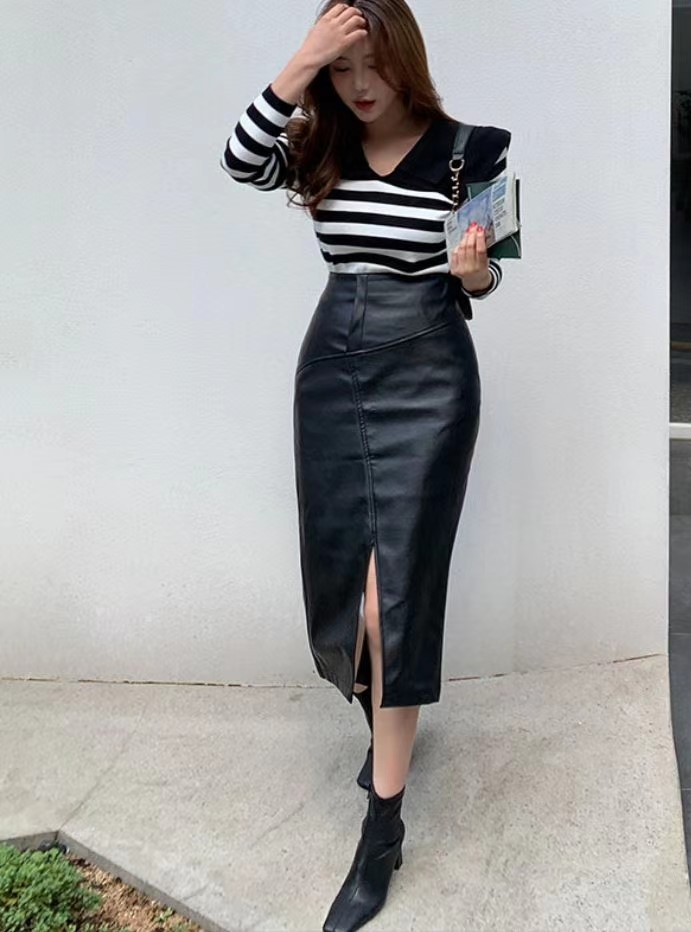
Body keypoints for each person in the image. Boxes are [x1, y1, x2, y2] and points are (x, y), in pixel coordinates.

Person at [220, 2, 510, 928]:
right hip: (334, 375)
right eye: (341, 69)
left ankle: (382, 830)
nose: (358, 86)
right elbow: (238, 159)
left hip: (430, 379)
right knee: (346, 594)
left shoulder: (471, 150)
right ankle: (386, 724)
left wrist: (473, 272)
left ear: (405, 60)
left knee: (395, 606)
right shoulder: (320, 144)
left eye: (371, 66)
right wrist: (303, 58)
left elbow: (496, 268)